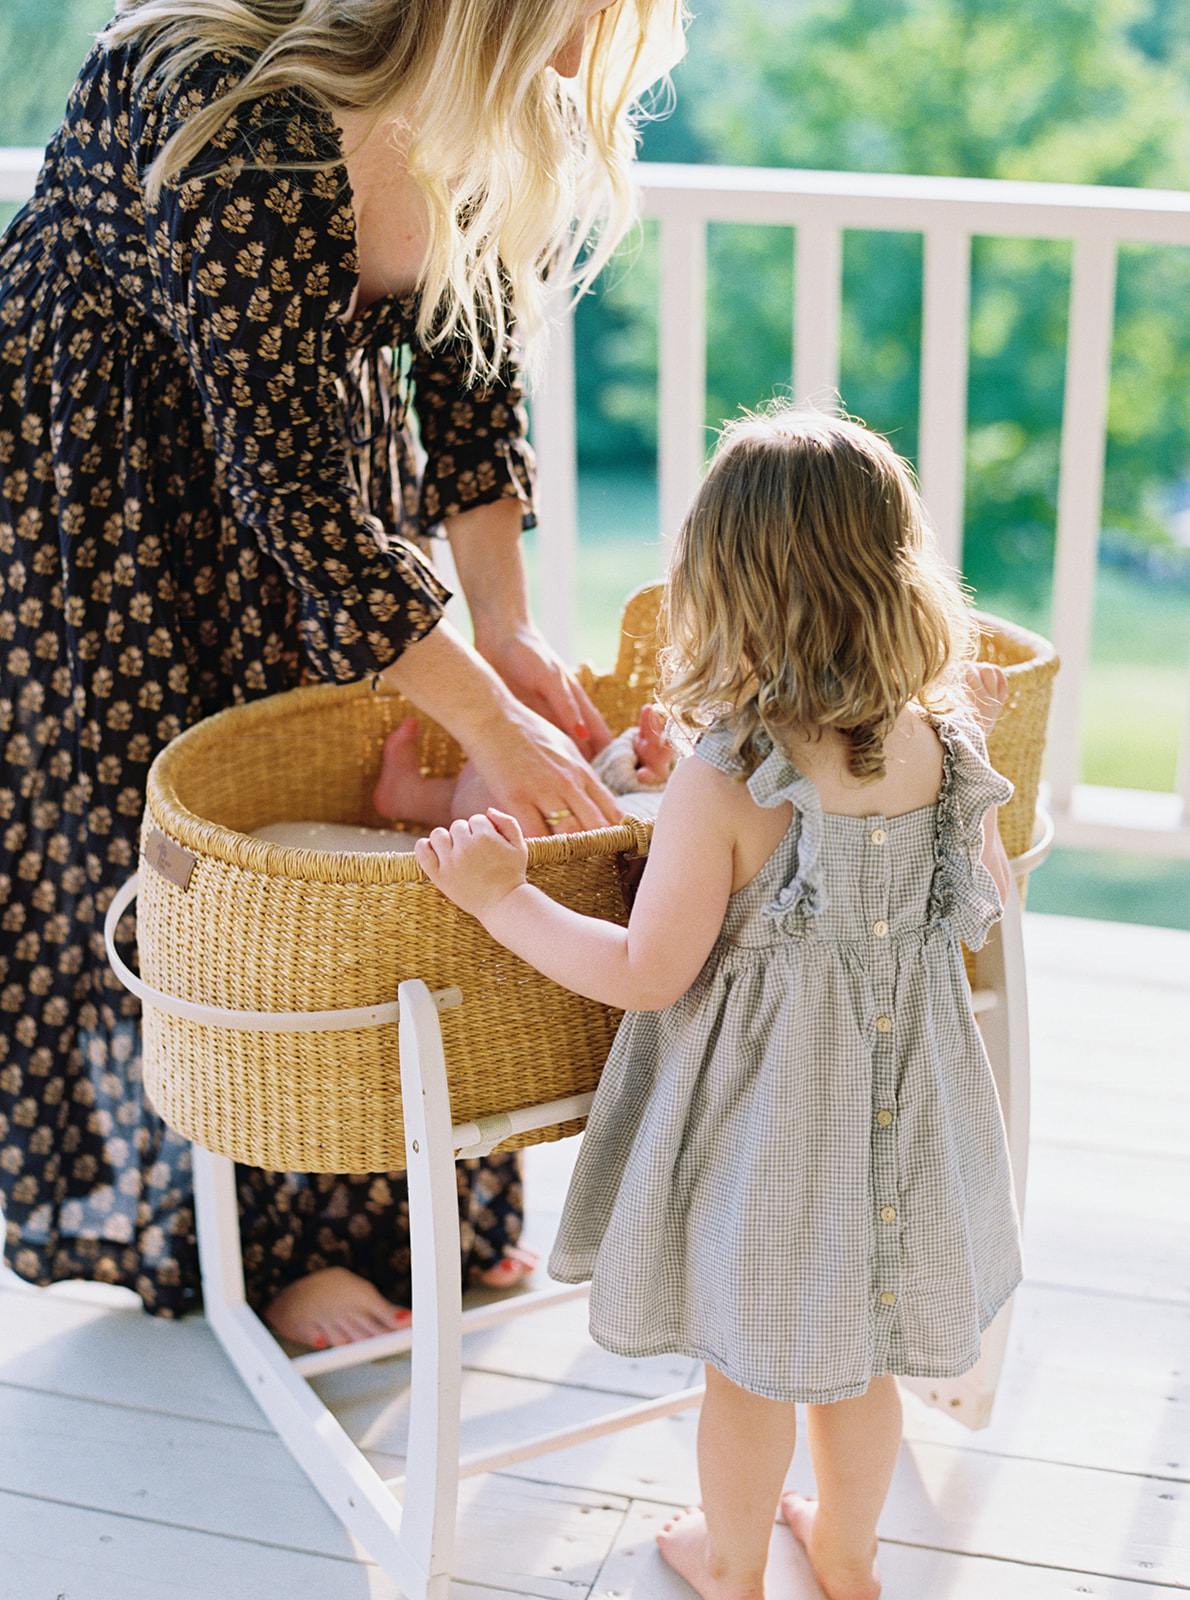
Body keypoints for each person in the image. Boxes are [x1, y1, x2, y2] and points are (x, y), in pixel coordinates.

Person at [0, 0, 687, 1351]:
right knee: (188, 868)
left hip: (302, 465)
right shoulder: (236, 116)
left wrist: (502, 627)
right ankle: (238, 1248)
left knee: (365, 851)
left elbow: (475, 377)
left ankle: (404, 1199)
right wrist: (490, 722)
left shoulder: (509, 112)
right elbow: (290, 492)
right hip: (105, 481)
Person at [415, 406, 1023, 1600]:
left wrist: (500, 903)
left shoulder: (731, 774)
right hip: (902, 1121)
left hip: (770, 1131)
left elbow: (649, 970)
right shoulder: (937, 745)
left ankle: (732, 1565)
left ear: (726, 591)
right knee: (862, 1361)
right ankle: (846, 1558)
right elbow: (985, 894)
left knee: (747, 1372)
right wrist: (977, 764)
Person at [373, 703, 675, 828]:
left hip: (593, 843)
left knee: (518, 806)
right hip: (609, 811)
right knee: (551, 787)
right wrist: (637, 769)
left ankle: (410, 795)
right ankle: (409, 794)